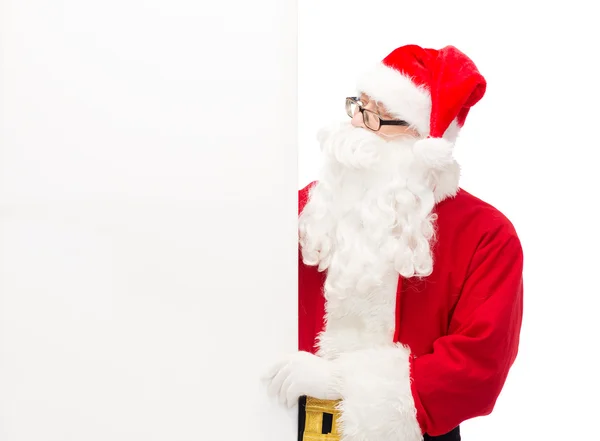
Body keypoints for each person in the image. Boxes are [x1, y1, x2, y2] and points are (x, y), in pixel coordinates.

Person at [262, 44, 524, 441]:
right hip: (284, 424)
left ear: (424, 142)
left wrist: (341, 383)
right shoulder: (308, 209)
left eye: (376, 118)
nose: (355, 128)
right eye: (359, 108)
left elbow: (479, 366)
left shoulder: (486, 235)